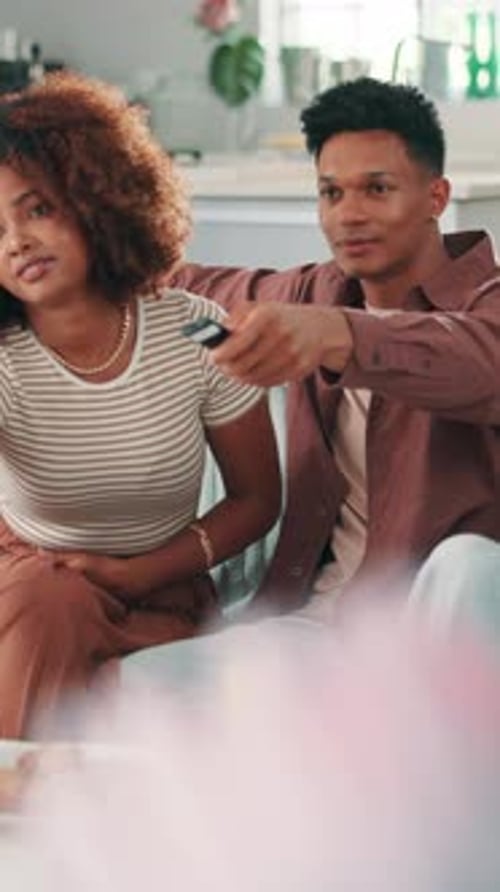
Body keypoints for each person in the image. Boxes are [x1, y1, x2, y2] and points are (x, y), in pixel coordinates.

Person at [0, 71, 281, 739]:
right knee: (48, 600)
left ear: (96, 196)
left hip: (163, 587)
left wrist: (138, 573)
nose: (15, 239)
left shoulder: (195, 329)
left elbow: (257, 500)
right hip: (31, 583)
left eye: (37, 207)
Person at [165, 75, 499, 625]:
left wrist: (338, 334)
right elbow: (193, 285)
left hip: (434, 640)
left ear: (435, 197)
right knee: (138, 685)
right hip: (309, 622)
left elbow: (479, 361)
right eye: (331, 193)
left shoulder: (486, 307)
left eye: (377, 189)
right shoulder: (317, 291)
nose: (349, 215)